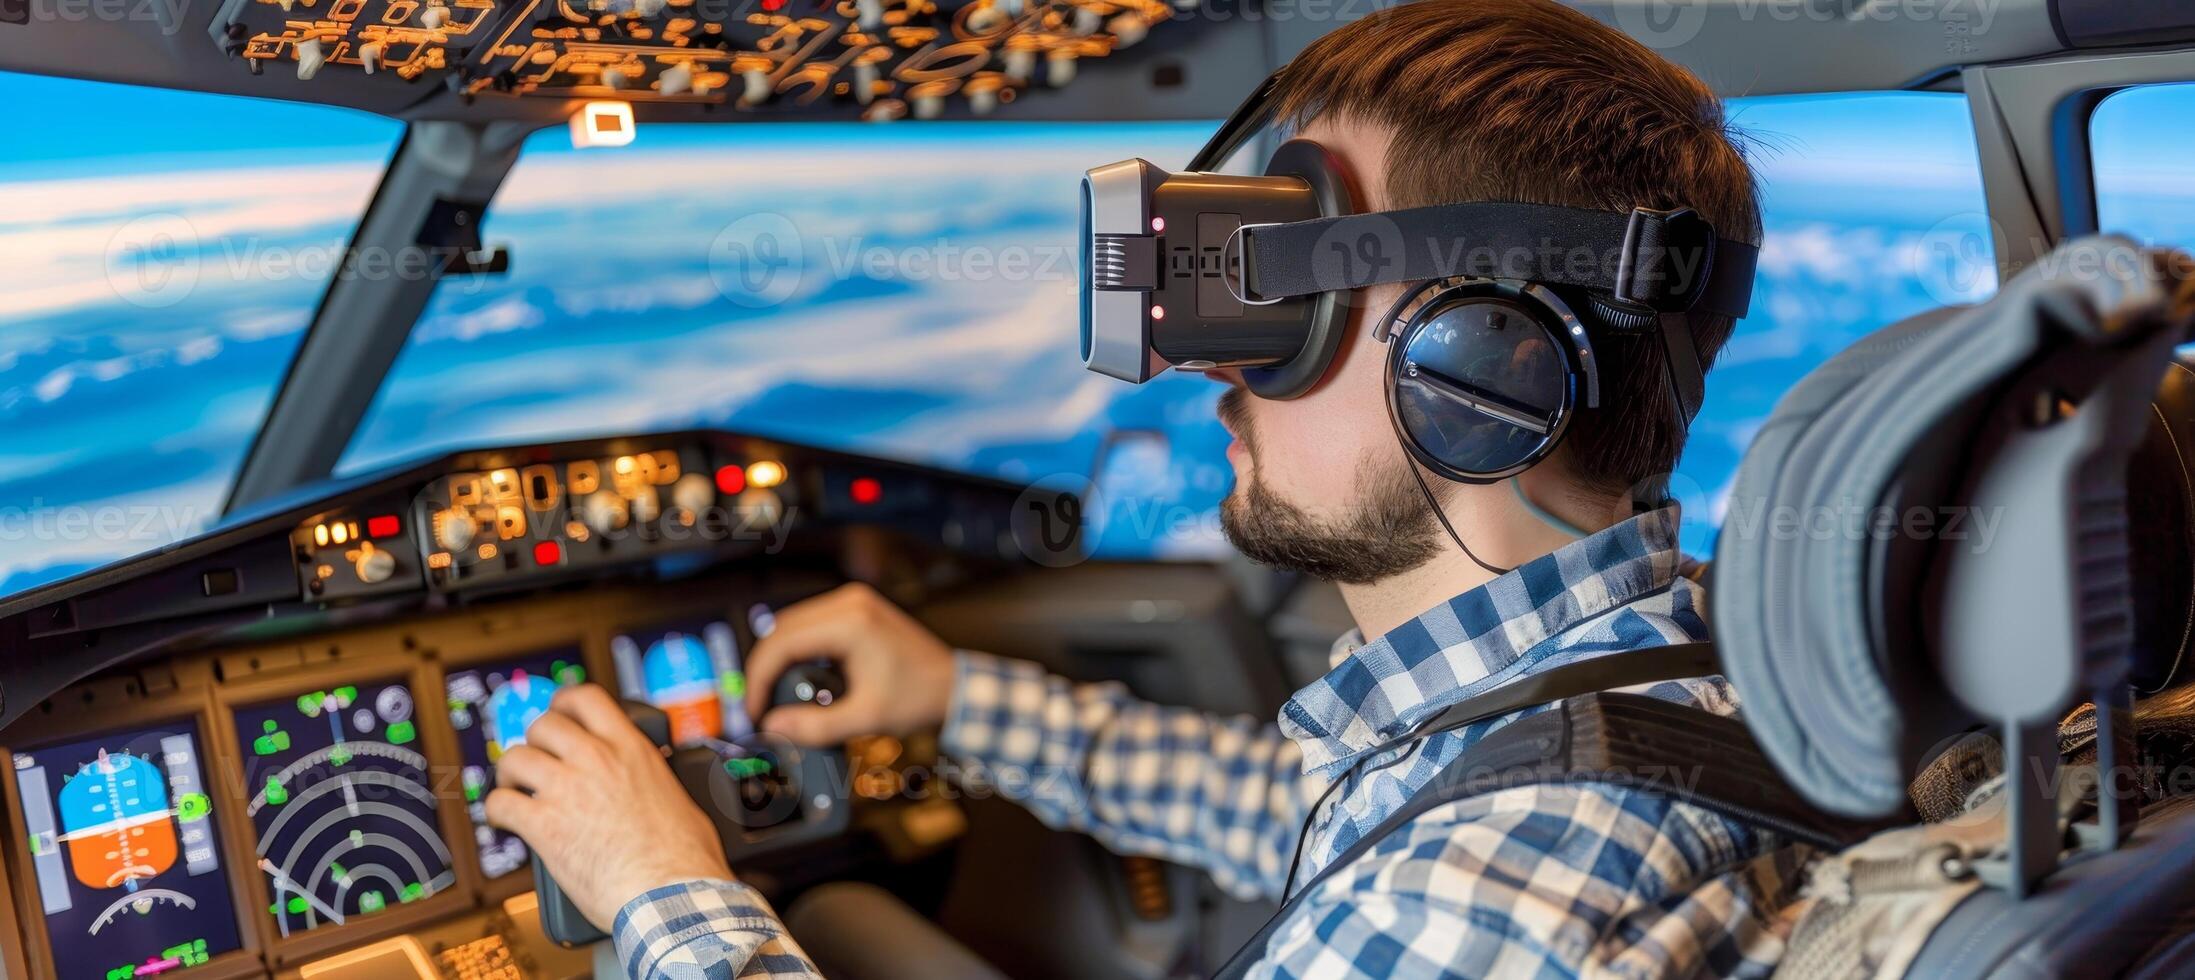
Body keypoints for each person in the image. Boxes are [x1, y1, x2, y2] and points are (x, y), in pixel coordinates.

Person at [486, 1, 1786, 975]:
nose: (1215, 377)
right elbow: (1308, 812)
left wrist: (659, 888)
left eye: (1286, 304)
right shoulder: (1658, 671)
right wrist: (954, 698)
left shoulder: (1480, 901)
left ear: (1479, 362)